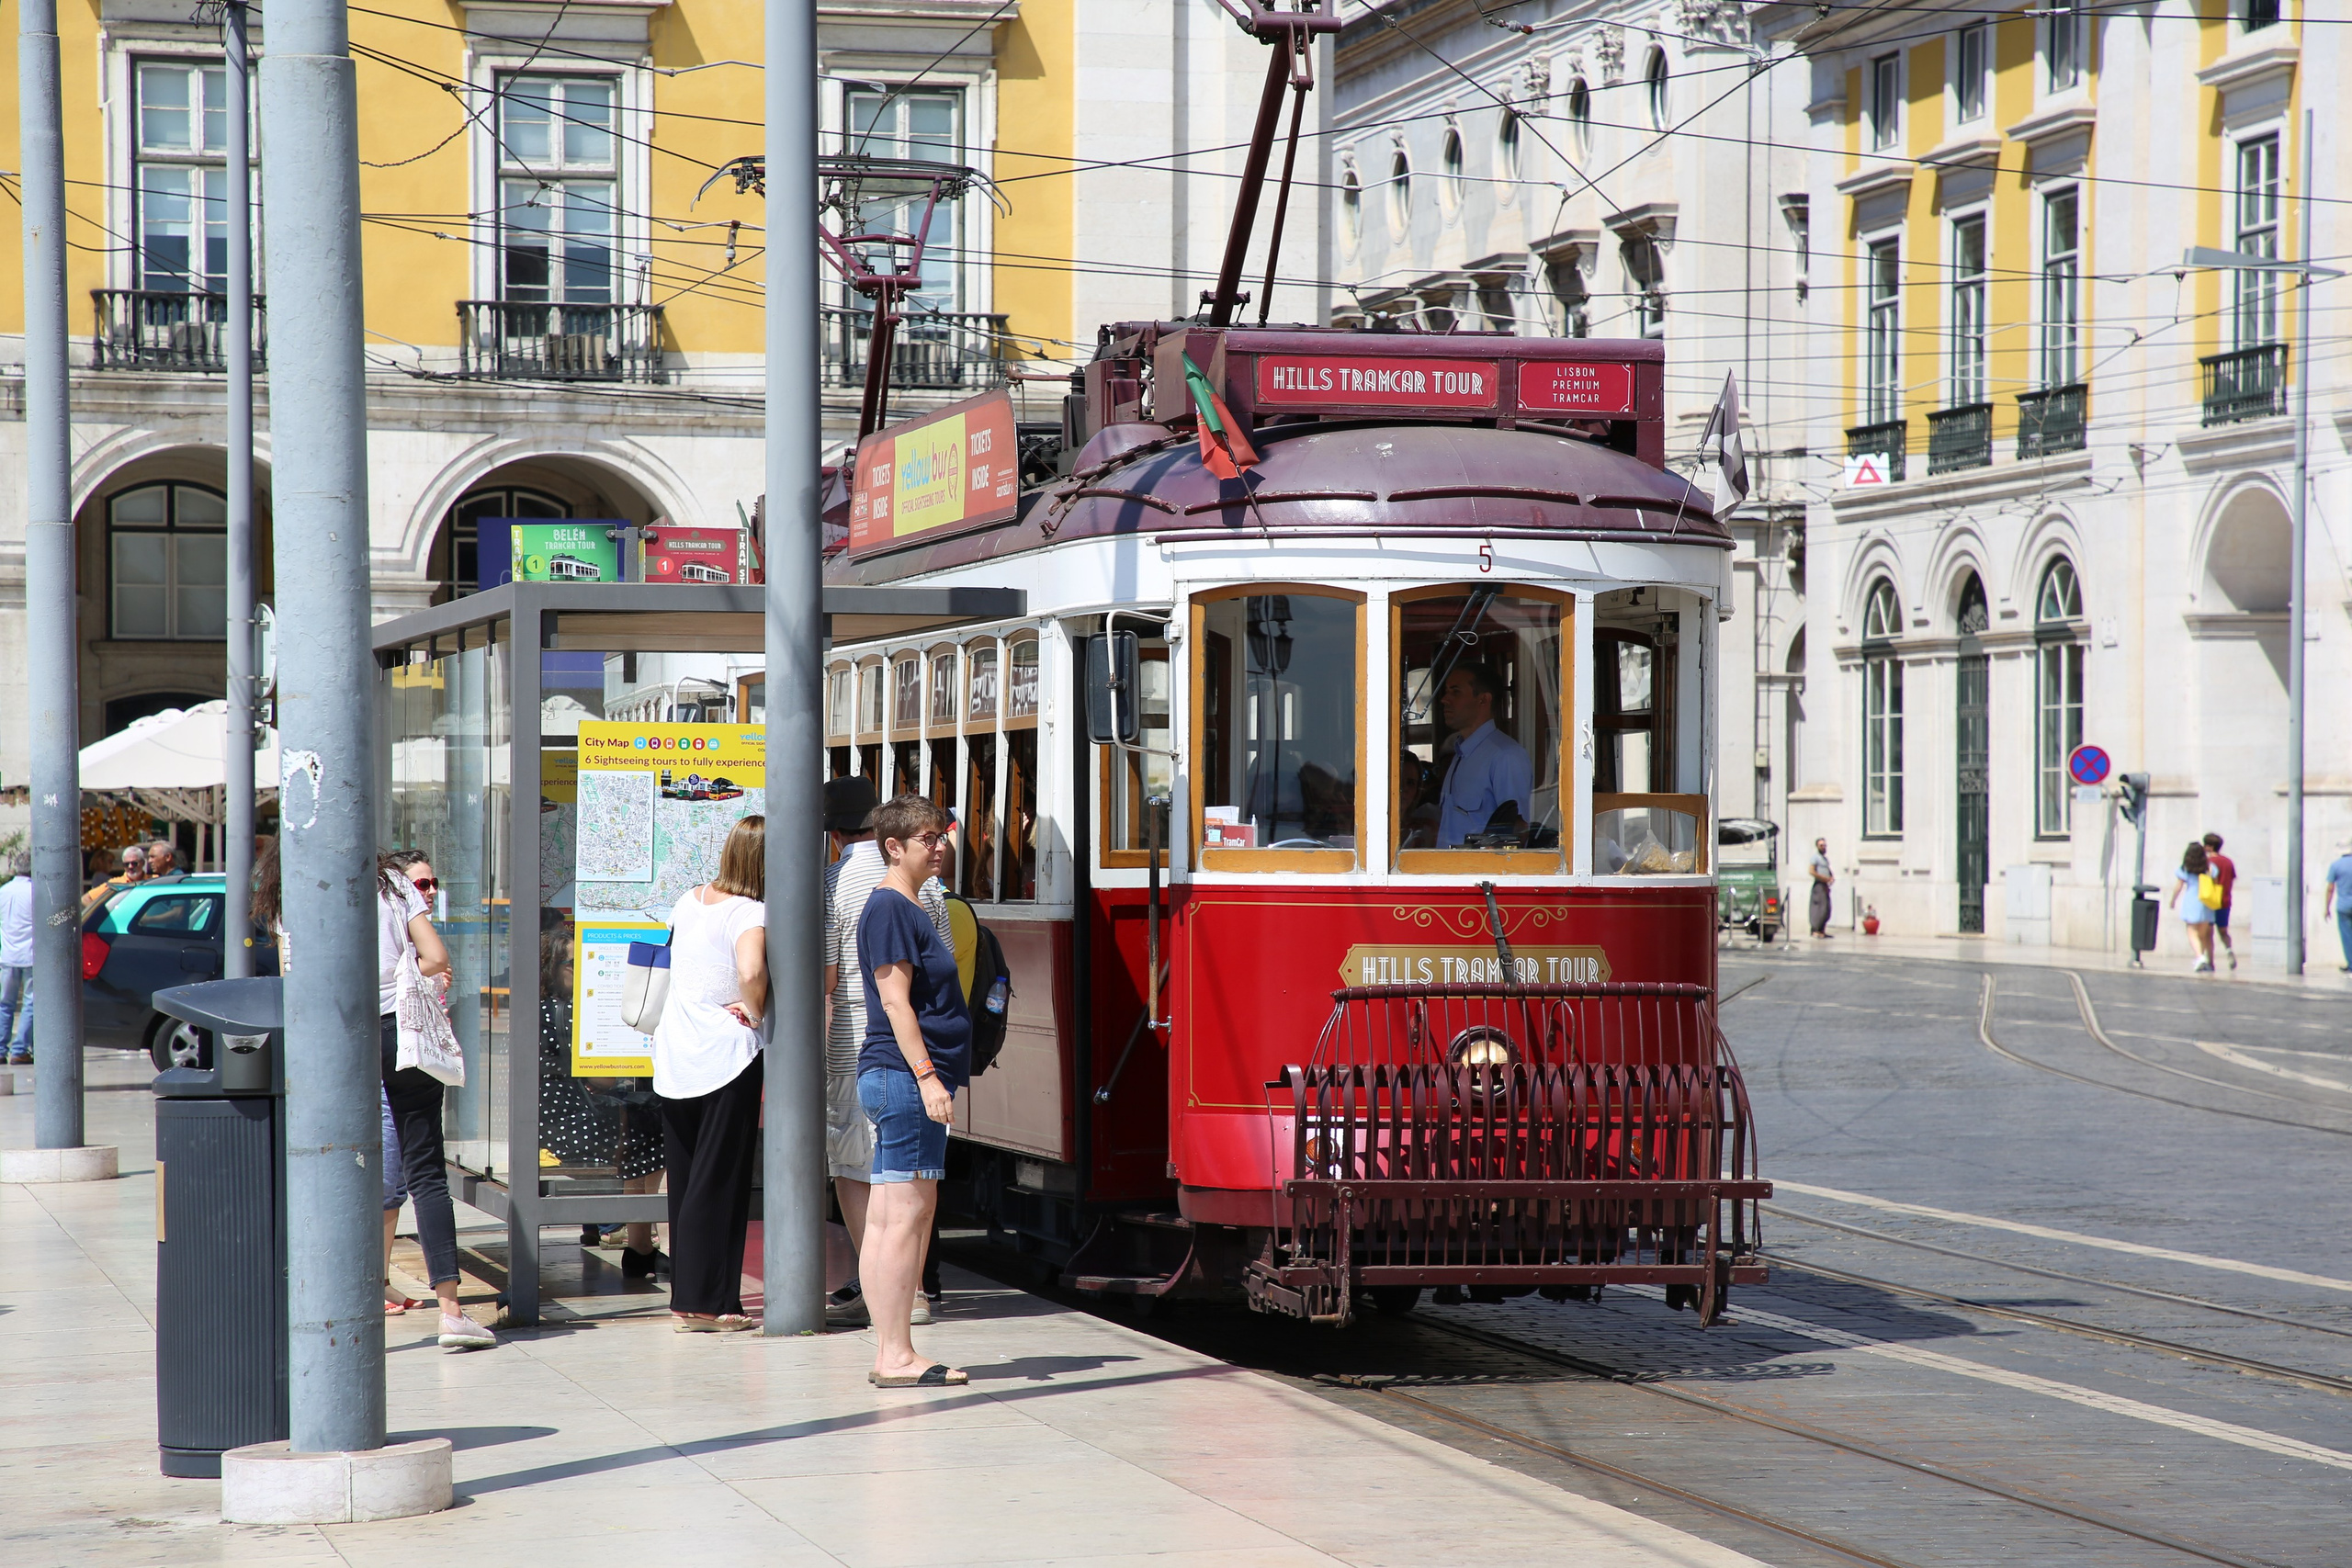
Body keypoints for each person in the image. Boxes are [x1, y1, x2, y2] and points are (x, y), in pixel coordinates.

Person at [820, 777, 951, 1329]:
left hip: (855, 1045)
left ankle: (881, 1292)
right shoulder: (929, 891)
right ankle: (913, 1290)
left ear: (834, 834)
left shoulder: (832, 884)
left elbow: (826, 979)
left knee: (857, 1172)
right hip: (916, 1049)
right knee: (916, 1184)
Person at [857, 794, 972, 1388]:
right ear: (893, 846)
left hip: (896, 1077)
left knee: (888, 1216)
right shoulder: (892, 910)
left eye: (940, 834)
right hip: (903, 1078)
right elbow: (895, 999)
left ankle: (891, 1348)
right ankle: (896, 1354)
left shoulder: (906, 905)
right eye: (926, 837)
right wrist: (929, 1076)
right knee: (906, 1215)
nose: (939, 845)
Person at [652, 815, 769, 1333]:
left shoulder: (689, 898)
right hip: (727, 1054)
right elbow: (749, 971)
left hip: (677, 1050)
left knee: (686, 1177)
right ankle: (710, 1302)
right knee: (721, 1179)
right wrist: (756, 1011)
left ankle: (689, 1294)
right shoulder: (751, 912)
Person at [1433, 664, 1533, 847]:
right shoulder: (1460, 755)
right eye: (1447, 692)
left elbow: (1517, 834)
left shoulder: (1506, 756)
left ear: (1483, 700)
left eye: (1455, 692)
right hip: (1447, 872)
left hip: (1482, 874)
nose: (1444, 700)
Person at [1, 852, 35, 1066]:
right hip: (31, 954)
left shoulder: (3, 891)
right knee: (30, 1002)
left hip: (7, 955)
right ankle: (20, 1050)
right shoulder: (35, 891)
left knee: (5, 1004)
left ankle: (0, 1048)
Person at [2165, 840, 2217, 974]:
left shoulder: (2185, 868)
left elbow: (2179, 886)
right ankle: (2202, 957)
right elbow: (2215, 883)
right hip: (2206, 901)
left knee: (2191, 931)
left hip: (2192, 900)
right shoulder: (2210, 867)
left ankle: (2200, 957)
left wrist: (2173, 900)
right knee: (2203, 933)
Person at [2200, 832, 2238, 972]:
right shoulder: (2228, 862)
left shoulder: (2208, 863)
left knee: (2208, 933)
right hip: (2225, 900)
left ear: (2209, 847)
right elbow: (2232, 879)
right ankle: (2229, 950)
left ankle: (2210, 962)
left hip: (2211, 901)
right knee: (2223, 931)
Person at [81, 843, 147, 911]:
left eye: (134, 863)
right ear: (101, 862)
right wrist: (106, 915)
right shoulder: (114, 883)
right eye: (126, 864)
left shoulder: (153, 879)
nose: (130, 867)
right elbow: (85, 899)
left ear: (143, 863)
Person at [2325, 839, 2352, 974]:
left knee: (2347, 936)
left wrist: (2326, 908)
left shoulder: (2335, 866)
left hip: (2343, 906)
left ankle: (2351, 965)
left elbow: (2330, 888)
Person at [1807, 838, 1835, 938]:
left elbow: (1828, 870)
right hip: (1819, 885)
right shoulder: (1815, 858)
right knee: (1818, 908)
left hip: (1825, 886)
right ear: (1817, 846)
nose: (1823, 847)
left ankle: (1822, 929)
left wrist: (1831, 877)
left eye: (1824, 845)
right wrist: (1824, 878)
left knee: (1826, 908)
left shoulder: (1825, 859)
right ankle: (1815, 929)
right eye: (1821, 845)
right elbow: (1811, 871)